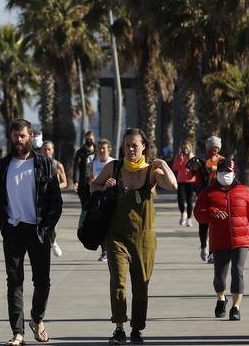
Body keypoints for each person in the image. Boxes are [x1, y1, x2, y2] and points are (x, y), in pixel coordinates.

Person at [90, 128, 177, 344]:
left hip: (144, 239)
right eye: (127, 145)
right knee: (118, 281)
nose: (130, 149)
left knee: (141, 285)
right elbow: (93, 185)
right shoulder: (114, 167)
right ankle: (119, 327)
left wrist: (162, 164)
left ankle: (137, 329)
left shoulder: (151, 172)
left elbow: (173, 186)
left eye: (135, 145)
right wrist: (104, 187)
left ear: (144, 147)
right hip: (116, 236)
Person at [0, 119, 62, 346]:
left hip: (38, 230)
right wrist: (4, 226)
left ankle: (37, 319)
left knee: (43, 281)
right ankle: (18, 333)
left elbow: (55, 202)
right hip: (13, 230)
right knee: (14, 282)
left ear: (31, 136)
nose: (18, 140)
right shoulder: (3, 165)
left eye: (22, 136)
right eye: (15, 136)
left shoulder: (44, 164)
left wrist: (46, 228)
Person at [194, 158, 249, 321]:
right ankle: (221, 299)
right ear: (216, 174)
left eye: (228, 172)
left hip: (241, 240)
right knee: (220, 277)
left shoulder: (245, 191)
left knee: (237, 271)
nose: (224, 175)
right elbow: (198, 213)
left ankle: (235, 307)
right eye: (221, 172)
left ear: (234, 173)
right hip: (219, 240)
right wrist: (212, 212)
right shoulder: (208, 192)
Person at [200, 136, 225, 263]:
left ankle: (212, 252)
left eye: (216, 148)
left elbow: (228, 171)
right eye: (211, 148)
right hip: (206, 195)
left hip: (218, 194)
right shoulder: (205, 160)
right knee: (204, 223)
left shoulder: (223, 160)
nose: (214, 150)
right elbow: (205, 168)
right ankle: (204, 246)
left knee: (215, 225)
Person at [89, 138, 115, 262]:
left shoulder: (114, 163)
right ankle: (104, 251)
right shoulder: (94, 164)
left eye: (104, 148)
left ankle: (112, 249)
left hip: (111, 197)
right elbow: (92, 182)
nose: (101, 150)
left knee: (111, 225)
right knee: (100, 225)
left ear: (109, 149)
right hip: (98, 197)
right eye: (99, 148)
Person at [41, 140, 67, 258]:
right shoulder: (37, 164)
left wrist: (55, 187)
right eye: (44, 149)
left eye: (49, 149)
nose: (46, 152)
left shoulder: (57, 165)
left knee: (53, 226)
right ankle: (44, 244)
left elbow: (64, 182)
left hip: (54, 200)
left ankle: (53, 241)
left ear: (52, 151)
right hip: (41, 200)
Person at [172, 141, 196, 227]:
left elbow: (195, 168)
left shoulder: (193, 157)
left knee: (189, 201)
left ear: (190, 148)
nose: (185, 149)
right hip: (181, 181)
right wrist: (181, 159)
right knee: (180, 199)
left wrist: (190, 158)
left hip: (191, 181)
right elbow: (175, 168)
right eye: (183, 148)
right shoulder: (178, 156)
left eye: (187, 148)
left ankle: (189, 219)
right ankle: (183, 214)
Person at [73, 131, 96, 206]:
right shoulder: (80, 152)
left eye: (91, 139)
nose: (89, 141)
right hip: (83, 183)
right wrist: (76, 182)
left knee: (94, 204)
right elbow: (76, 168)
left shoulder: (98, 151)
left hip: (95, 181)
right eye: (87, 139)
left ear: (94, 140)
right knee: (85, 205)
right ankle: (85, 217)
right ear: (85, 140)